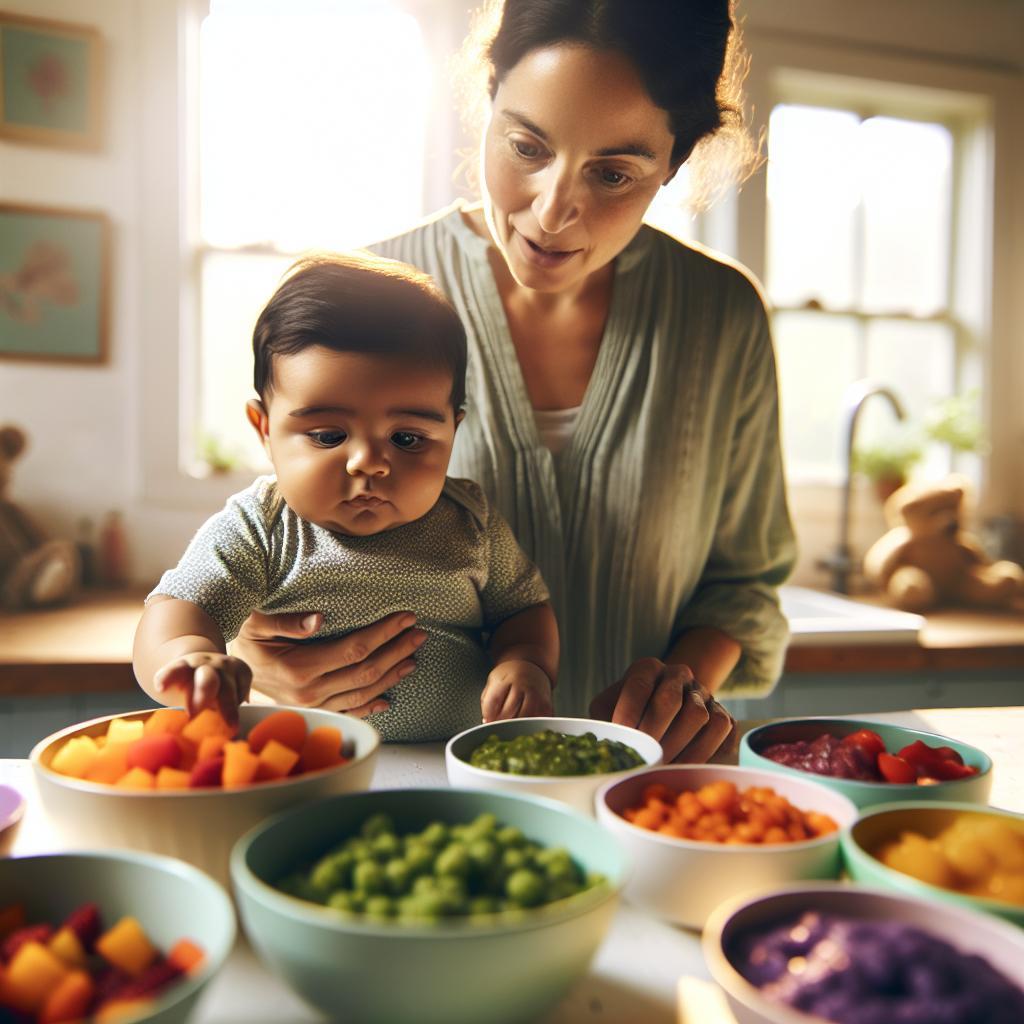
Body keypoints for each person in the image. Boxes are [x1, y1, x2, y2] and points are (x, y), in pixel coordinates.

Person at [229, 0, 796, 762]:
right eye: (526, 146)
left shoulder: (721, 315)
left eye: (615, 173)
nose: (555, 210)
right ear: (486, 102)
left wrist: (677, 688)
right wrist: (255, 653)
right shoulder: (366, 296)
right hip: (408, 783)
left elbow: (745, 580)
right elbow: (267, 537)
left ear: (675, 164)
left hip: (642, 780)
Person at [133, 254, 558, 741]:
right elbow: (177, 609)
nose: (369, 463)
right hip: (314, 765)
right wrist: (188, 660)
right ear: (265, 430)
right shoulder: (261, 529)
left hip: (457, 766)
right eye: (328, 435)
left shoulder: (470, 522)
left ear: (453, 430)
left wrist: (527, 664)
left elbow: (523, 611)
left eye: (407, 439)